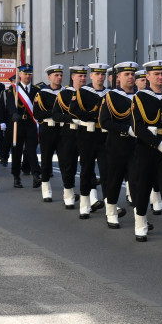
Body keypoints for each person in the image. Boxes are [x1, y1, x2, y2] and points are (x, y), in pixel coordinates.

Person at [129, 60, 162, 245]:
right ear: (148, 76)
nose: (160, 77)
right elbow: (137, 127)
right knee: (143, 187)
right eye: (156, 74)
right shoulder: (139, 97)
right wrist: (158, 143)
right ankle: (140, 224)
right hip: (146, 148)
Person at [98, 61, 139, 229]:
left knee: (137, 181)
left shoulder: (140, 95)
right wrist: (125, 129)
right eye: (126, 74)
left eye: (132, 74)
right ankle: (111, 213)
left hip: (136, 145)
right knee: (114, 181)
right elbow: (104, 121)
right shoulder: (111, 96)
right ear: (119, 77)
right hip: (117, 145)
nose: (130, 77)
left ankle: (140, 217)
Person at [71, 63, 110, 219]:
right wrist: (94, 118)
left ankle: (110, 206)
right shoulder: (82, 92)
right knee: (86, 170)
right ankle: (85, 205)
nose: (101, 77)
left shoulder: (109, 93)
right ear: (91, 76)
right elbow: (74, 111)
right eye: (97, 74)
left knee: (107, 172)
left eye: (103, 74)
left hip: (104, 136)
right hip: (87, 136)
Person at [52, 66, 87, 209]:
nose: (83, 79)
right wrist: (71, 119)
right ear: (73, 77)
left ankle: (90, 197)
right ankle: (69, 193)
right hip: (69, 133)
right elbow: (56, 115)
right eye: (80, 76)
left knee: (87, 166)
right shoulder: (64, 94)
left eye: (85, 76)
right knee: (69, 165)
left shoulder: (89, 93)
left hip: (86, 133)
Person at [33, 65, 65, 203]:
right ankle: (46, 188)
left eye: (60, 75)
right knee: (46, 160)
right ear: (49, 77)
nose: (59, 77)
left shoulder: (66, 92)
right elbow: (37, 113)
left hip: (63, 129)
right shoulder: (42, 93)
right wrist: (54, 113)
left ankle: (67, 190)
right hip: (48, 129)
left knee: (65, 161)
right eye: (56, 75)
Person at [9, 65, 41, 189]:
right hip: (17, 124)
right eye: (25, 74)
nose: (28, 76)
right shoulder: (14, 89)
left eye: (29, 74)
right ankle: (16, 177)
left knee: (31, 150)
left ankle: (35, 175)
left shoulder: (36, 90)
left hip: (31, 124)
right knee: (16, 152)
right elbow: (10, 103)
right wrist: (14, 113)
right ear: (20, 75)